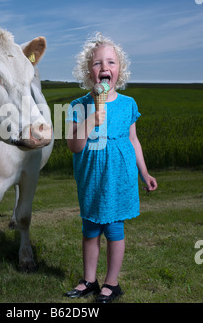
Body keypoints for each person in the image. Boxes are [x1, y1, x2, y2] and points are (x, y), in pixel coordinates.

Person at [65, 33, 157, 303]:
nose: (104, 68)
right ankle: (89, 280)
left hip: (120, 177)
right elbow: (74, 145)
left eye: (111, 62)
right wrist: (93, 117)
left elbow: (133, 140)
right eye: (97, 64)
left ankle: (111, 283)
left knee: (115, 230)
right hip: (92, 179)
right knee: (90, 230)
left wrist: (145, 172)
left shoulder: (128, 104)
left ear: (120, 69)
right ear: (88, 71)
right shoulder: (78, 106)